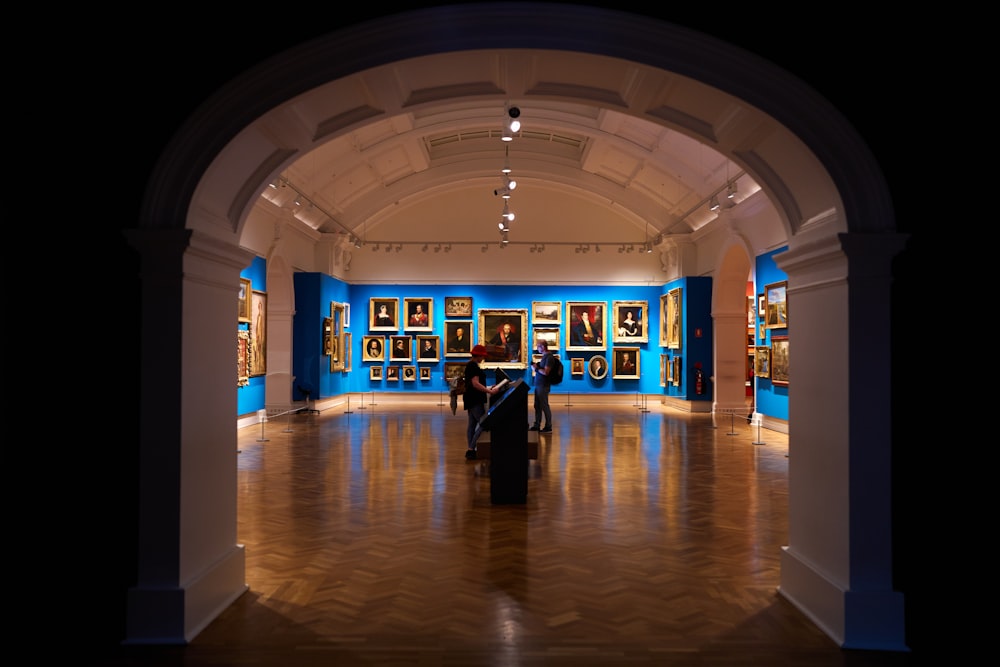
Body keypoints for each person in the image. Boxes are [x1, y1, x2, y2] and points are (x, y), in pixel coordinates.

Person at [463, 344, 499, 460]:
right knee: (484, 423)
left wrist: (488, 386)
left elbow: (475, 383)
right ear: (477, 355)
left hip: (470, 398)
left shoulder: (470, 365)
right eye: (482, 356)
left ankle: (471, 449)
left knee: (472, 424)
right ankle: (471, 449)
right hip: (475, 399)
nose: (483, 358)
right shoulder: (473, 366)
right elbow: (475, 383)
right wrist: (489, 391)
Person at [529, 340, 554, 433]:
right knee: (537, 406)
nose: (537, 348)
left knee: (544, 406)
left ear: (543, 347)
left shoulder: (549, 357)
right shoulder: (545, 357)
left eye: (538, 346)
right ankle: (537, 424)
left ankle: (548, 426)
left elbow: (546, 372)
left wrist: (536, 368)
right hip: (539, 385)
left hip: (543, 385)